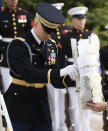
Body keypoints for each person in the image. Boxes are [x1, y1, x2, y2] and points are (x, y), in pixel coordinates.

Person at [5, 2, 78, 131]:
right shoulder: (19, 44)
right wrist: (61, 72)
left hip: (41, 106)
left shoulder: (50, 45)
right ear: (36, 22)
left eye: (53, 31)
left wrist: (74, 78)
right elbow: (30, 75)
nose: (50, 34)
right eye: (47, 30)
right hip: (20, 105)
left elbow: (55, 79)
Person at [61, 6, 92, 131]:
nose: (81, 21)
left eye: (83, 18)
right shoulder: (66, 37)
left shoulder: (90, 35)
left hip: (87, 76)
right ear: (73, 20)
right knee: (74, 107)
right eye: (79, 19)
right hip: (72, 76)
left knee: (87, 107)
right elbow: (62, 58)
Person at [47, 3, 71, 131]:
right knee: (52, 101)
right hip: (50, 71)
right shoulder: (47, 30)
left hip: (64, 70)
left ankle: (61, 126)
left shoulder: (67, 30)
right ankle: (54, 127)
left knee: (62, 101)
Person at [0, 0, 31, 94]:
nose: (14, 1)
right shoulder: (1, 14)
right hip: (5, 54)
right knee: (7, 85)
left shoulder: (24, 13)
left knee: (23, 84)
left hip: (21, 53)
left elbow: (29, 35)